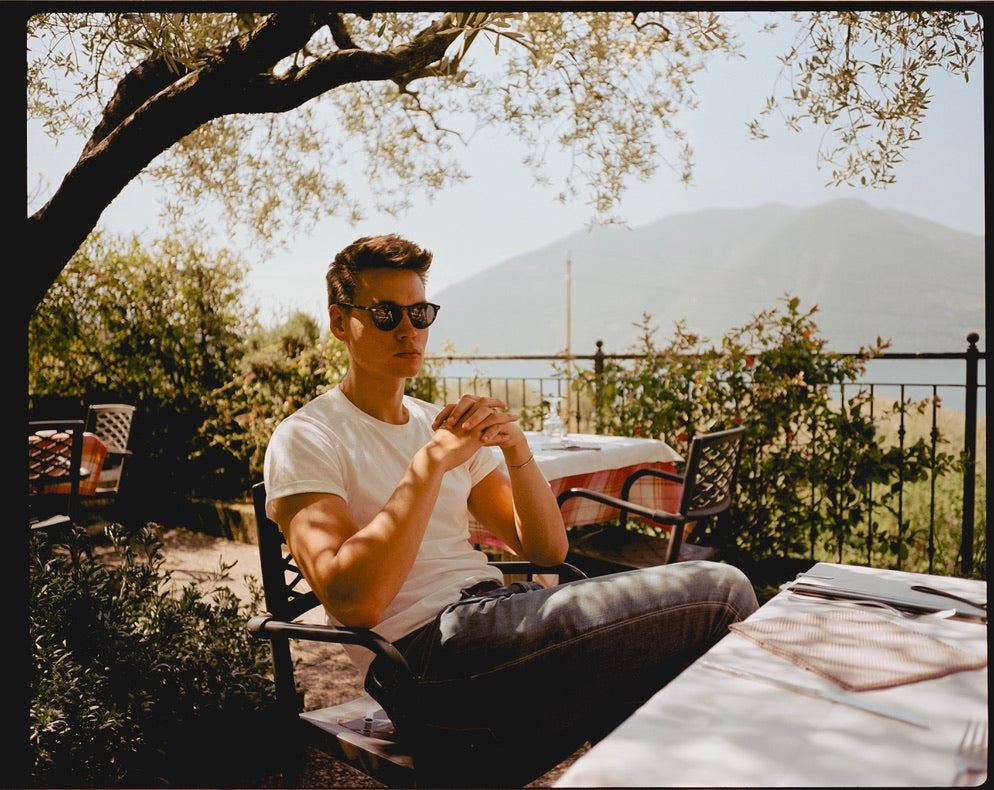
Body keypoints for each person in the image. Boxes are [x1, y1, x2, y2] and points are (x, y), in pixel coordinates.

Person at [263, 233, 759, 787]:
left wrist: (516, 449)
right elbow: (354, 602)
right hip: (428, 661)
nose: (408, 330)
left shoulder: (439, 423)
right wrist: (427, 467)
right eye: (384, 314)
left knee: (656, 677)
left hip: (500, 622)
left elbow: (547, 549)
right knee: (724, 593)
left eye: (420, 312)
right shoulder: (307, 436)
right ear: (339, 322)